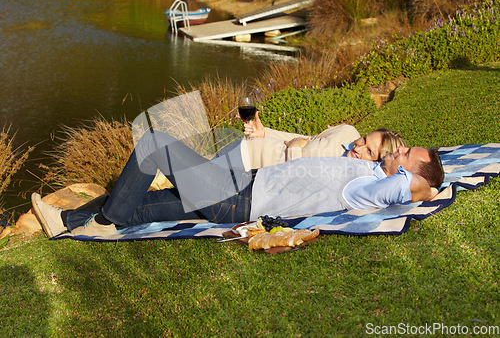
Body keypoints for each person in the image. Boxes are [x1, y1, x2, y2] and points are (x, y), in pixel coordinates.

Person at [31, 129, 444, 238]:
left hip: (239, 199)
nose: (399, 151)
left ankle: (102, 224)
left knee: (155, 145)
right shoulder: (365, 171)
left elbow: (407, 190)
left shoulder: (368, 188)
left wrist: (426, 185)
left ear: (410, 174)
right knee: (146, 205)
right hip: (242, 189)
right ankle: (66, 218)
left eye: (407, 156)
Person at [237, 111, 405, 169]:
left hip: (249, 167)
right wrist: (264, 133)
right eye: (364, 139)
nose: (358, 148)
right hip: (247, 146)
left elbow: (294, 179)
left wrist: (294, 150)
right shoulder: (348, 131)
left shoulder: (343, 173)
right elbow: (307, 139)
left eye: (369, 152)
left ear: (378, 162)